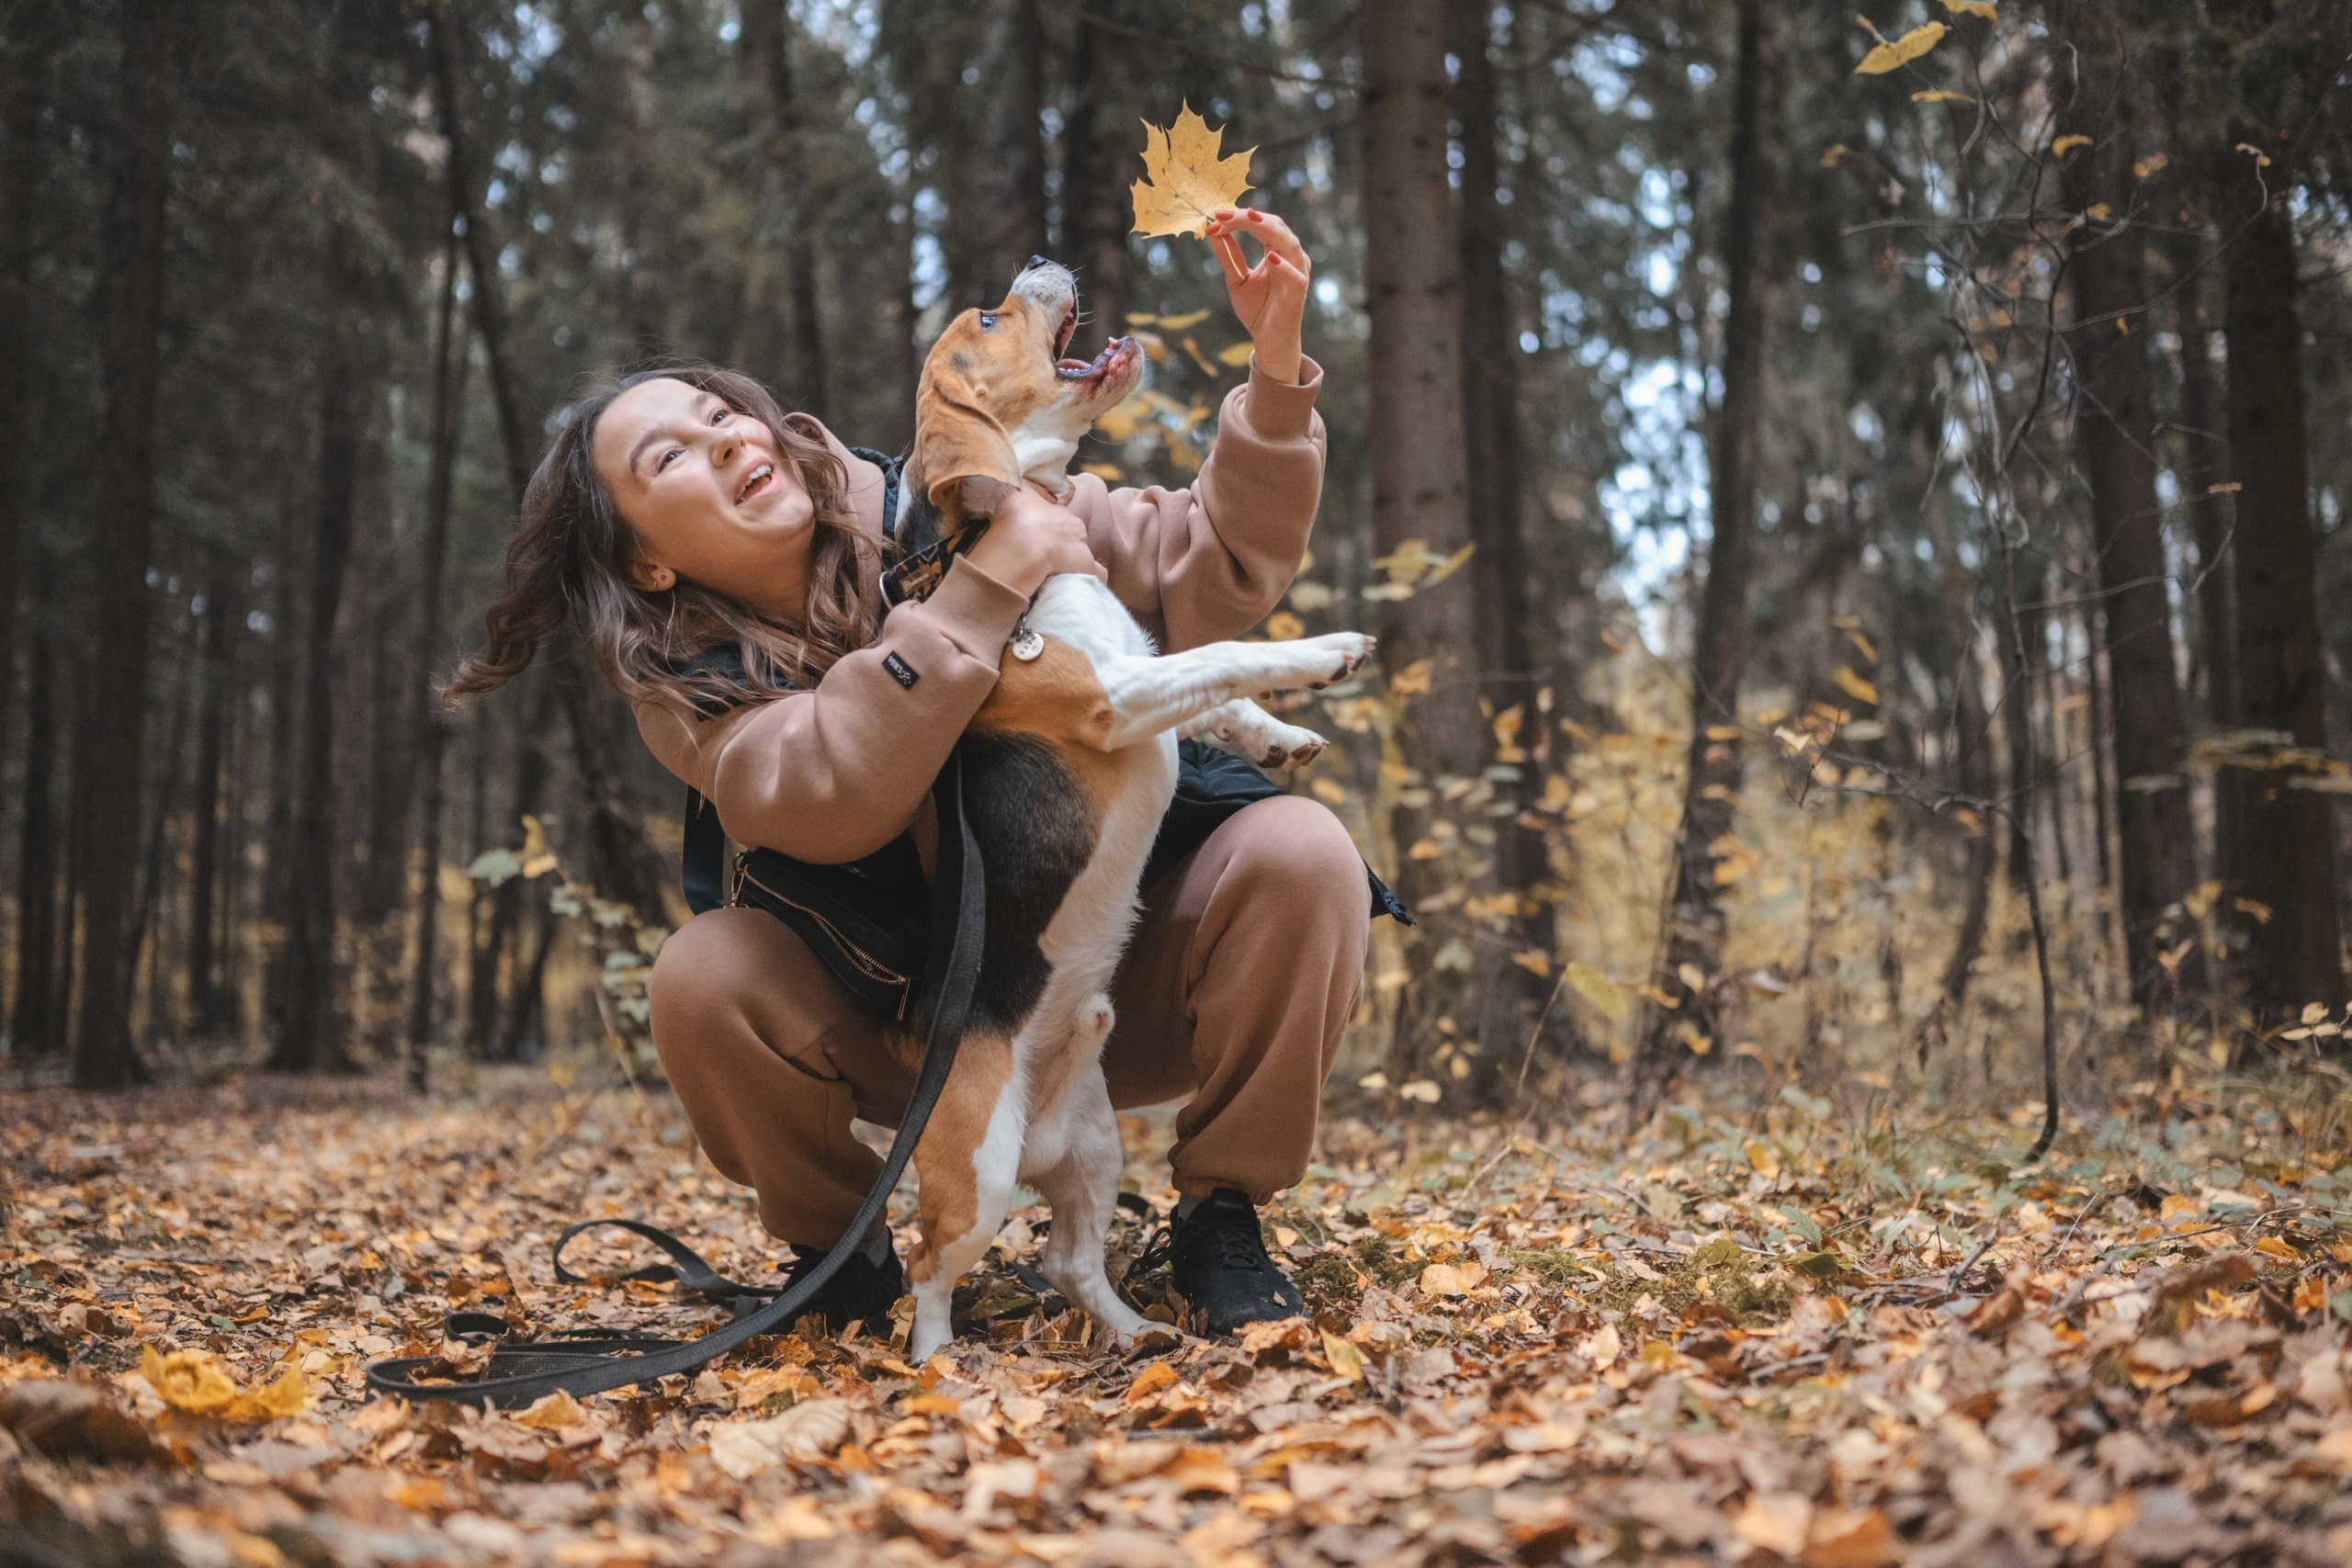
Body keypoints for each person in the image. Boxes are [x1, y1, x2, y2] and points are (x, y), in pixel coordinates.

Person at [447, 209, 1374, 1340]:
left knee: (1299, 851)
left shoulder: (966, 495)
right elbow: (835, 795)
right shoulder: (694, 697)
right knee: (701, 972)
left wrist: (1275, 375)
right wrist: (986, 593)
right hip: (905, 1040)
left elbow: (1213, 564)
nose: (728, 439)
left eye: (718, 413)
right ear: (647, 556)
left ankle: (1222, 1220)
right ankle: (839, 1259)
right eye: (671, 457)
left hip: (1107, 996)